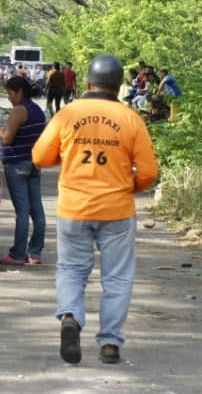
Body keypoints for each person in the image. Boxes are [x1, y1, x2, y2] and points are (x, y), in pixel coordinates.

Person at [32, 53, 160, 365]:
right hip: (117, 210)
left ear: (88, 82)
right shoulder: (131, 118)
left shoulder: (68, 114)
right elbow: (148, 172)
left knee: (72, 269)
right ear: (119, 87)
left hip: (74, 208)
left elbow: (40, 157)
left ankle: (71, 318)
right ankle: (110, 344)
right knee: (117, 277)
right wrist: (129, 187)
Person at [0, 75, 47, 266]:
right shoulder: (37, 110)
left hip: (17, 163)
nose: (9, 97)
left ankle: (18, 254)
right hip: (33, 162)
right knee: (37, 209)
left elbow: (6, 138)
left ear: (20, 92)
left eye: (10, 93)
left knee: (22, 211)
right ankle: (34, 252)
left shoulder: (19, 111)